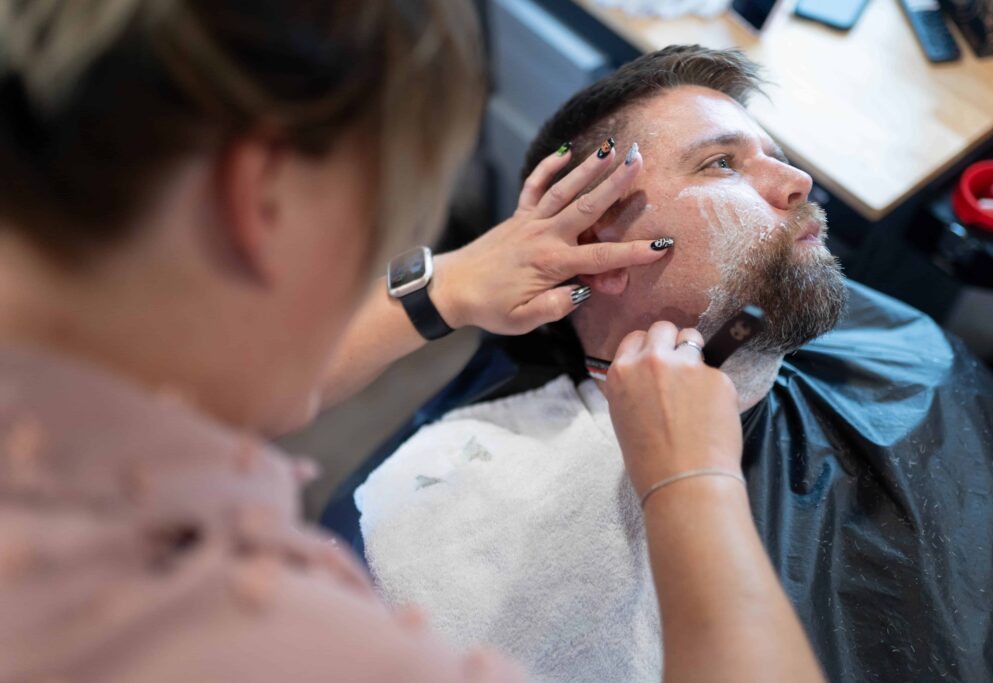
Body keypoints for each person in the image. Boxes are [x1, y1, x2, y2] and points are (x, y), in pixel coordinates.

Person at [0, 3, 823, 682]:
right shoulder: (265, 643)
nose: (797, 184)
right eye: (719, 164)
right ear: (264, 199)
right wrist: (692, 481)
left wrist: (447, 284)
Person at [356, 45, 993, 682]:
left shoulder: (902, 350)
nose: (799, 182)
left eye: (778, 157)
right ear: (595, 241)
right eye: (720, 164)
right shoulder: (462, 524)